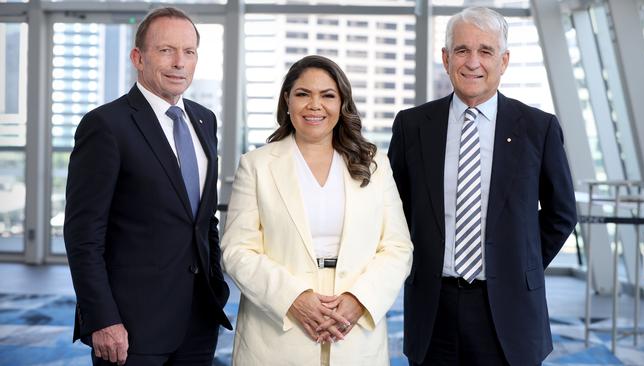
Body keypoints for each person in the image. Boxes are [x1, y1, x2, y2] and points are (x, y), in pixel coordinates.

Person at [388, 7, 577, 366]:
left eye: (485, 51)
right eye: (461, 50)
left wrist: (519, 266)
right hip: (432, 308)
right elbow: (395, 209)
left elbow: (561, 214)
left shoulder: (539, 128)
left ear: (503, 61)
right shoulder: (412, 126)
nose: (472, 62)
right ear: (446, 59)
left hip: (509, 310)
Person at [64, 7, 231, 366]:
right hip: (131, 324)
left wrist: (215, 285)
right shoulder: (106, 125)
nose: (179, 63)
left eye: (189, 52)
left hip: (198, 319)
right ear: (138, 58)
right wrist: (103, 319)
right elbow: (83, 235)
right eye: (166, 50)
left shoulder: (204, 119)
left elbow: (204, 219)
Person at [220, 55, 413, 365]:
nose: (314, 105)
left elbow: (397, 247)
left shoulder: (375, 165)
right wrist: (293, 298)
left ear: (342, 103)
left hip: (353, 329)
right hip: (276, 333)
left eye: (327, 95)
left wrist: (358, 300)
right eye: (302, 94)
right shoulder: (256, 166)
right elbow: (237, 250)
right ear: (287, 100)